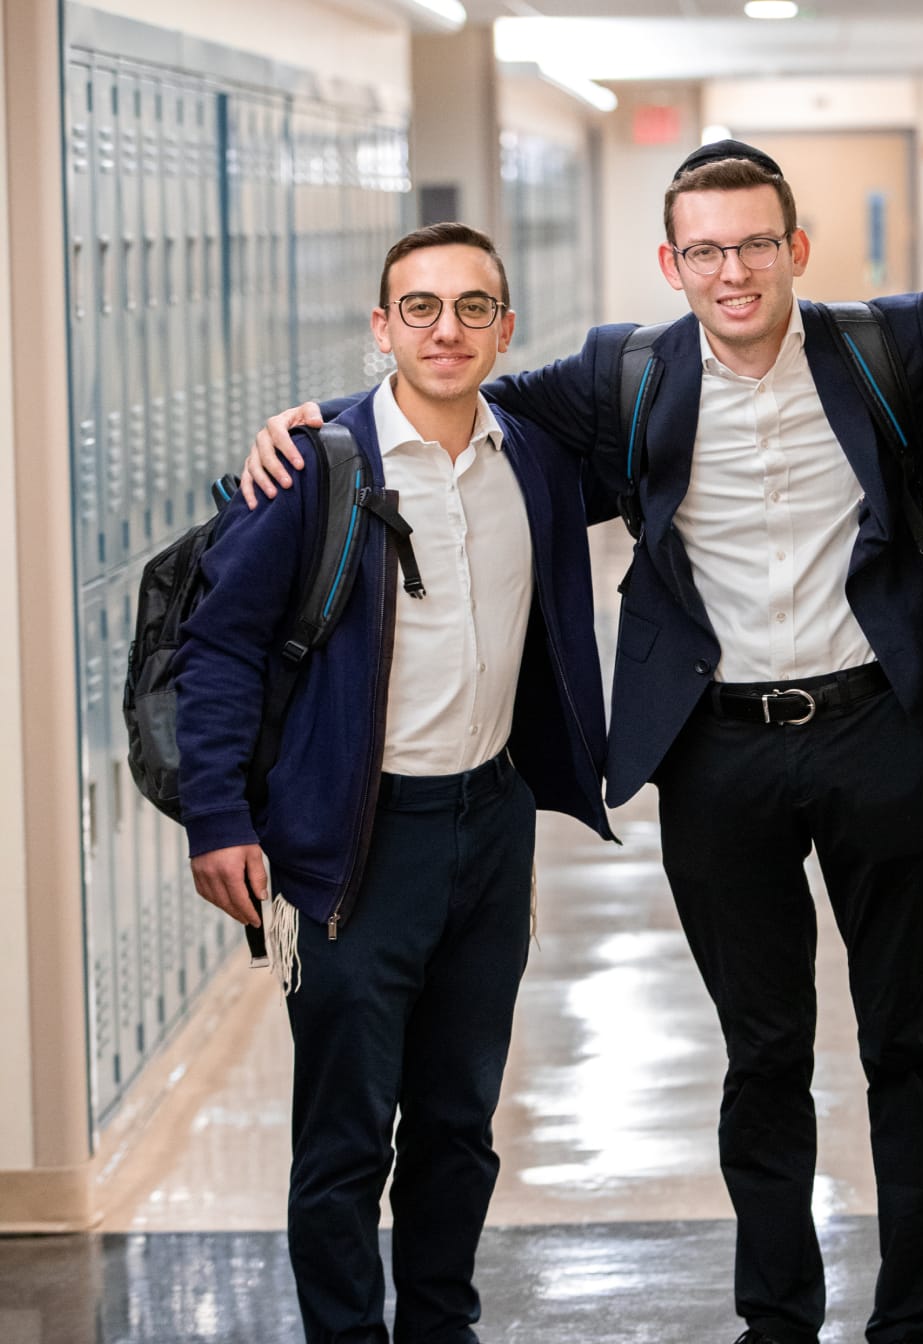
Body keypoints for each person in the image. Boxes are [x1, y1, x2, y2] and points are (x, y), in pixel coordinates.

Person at [240, 143, 923, 1344]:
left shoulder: (885, 344)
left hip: (879, 737)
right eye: (705, 249)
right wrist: (317, 420)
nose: (732, 271)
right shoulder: (622, 374)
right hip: (719, 755)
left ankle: (915, 1319)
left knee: (912, 1049)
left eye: (755, 244)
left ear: (796, 249)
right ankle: (777, 1317)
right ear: (670, 262)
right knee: (764, 1054)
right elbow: (448, 392)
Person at [174, 222, 612, 1344]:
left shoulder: (539, 460)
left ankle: (438, 1327)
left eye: (474, 307)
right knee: (347, 1137)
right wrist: (217, 816)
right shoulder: (314, 469)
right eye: (420, 307)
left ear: (506, 328)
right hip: (357, 842)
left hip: (490, 823)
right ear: (382, 327)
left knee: (460, 1122)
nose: (447, 329)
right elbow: (219, 647)